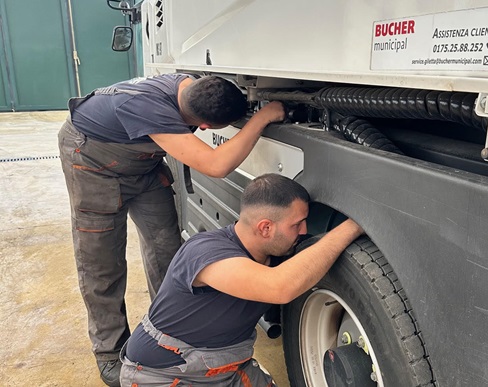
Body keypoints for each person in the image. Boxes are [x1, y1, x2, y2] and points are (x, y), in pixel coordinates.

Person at [58, 74, 285, 387]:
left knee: (167, 249)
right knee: (103, 263)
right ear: (204, 127)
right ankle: (109, 352)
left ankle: (170, 333)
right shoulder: (149, 108)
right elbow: (216, 165)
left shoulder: (190, 87)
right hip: (93, 164)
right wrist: (262, 117)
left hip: (144, 167)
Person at [119, 173, 364, 386]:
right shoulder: (205, 252)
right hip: (163, 374)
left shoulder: (276, 252)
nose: (303, 231)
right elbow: (279, 287)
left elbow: (313, 259)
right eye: (297, 224)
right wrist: (357, 224)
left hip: (227, 369)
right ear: (265, 228)